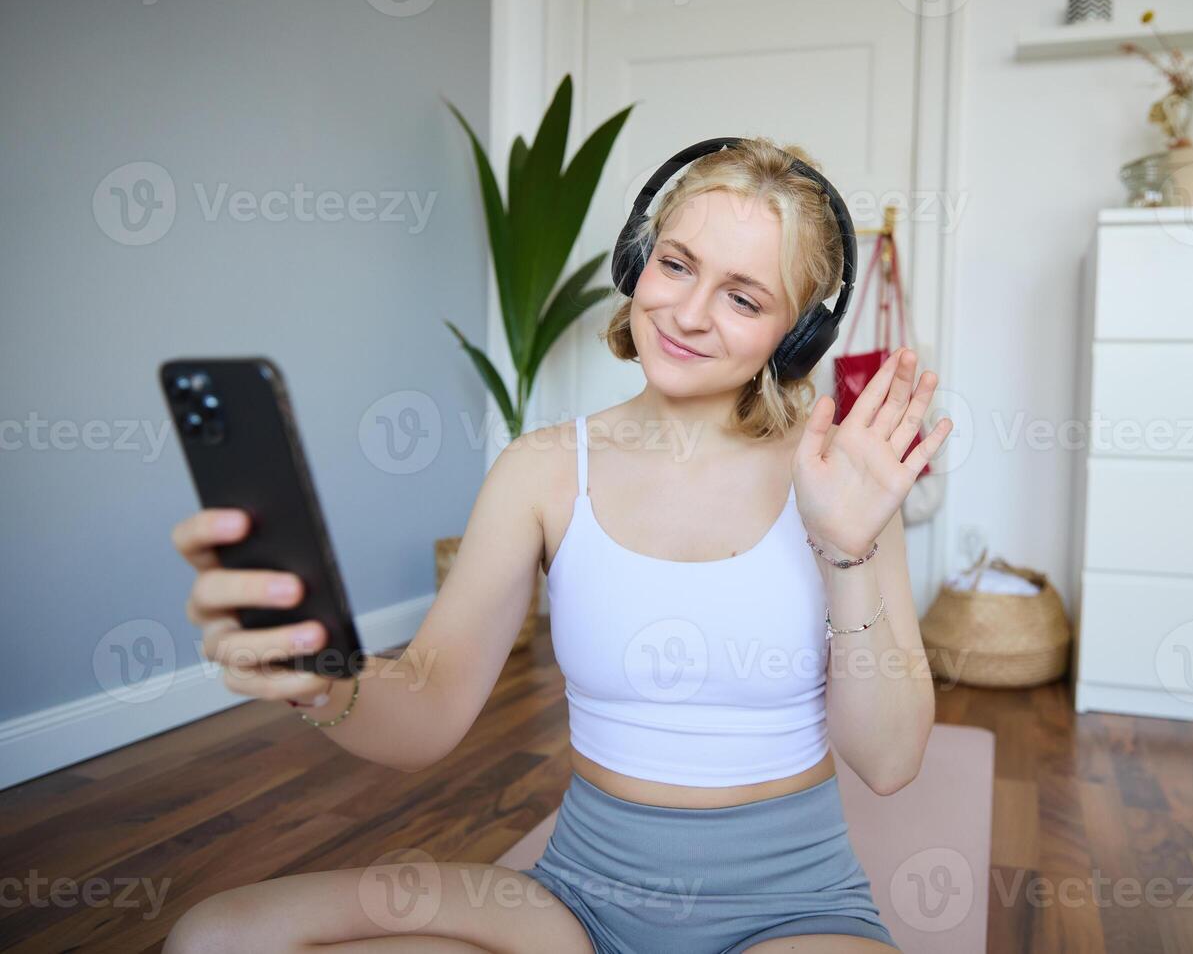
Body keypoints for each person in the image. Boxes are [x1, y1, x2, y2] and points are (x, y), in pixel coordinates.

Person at [164, 137, 952, 953]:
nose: (686, 314)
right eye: (677, 265)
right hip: (577, 901)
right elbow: (429, 707)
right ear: (636, 262)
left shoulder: (839, 486)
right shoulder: (541, 472)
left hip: (792, 910)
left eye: (744, 299)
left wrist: (846, 551)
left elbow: (889, 761)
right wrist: (321, 683)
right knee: (215, 936)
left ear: (796, 339)